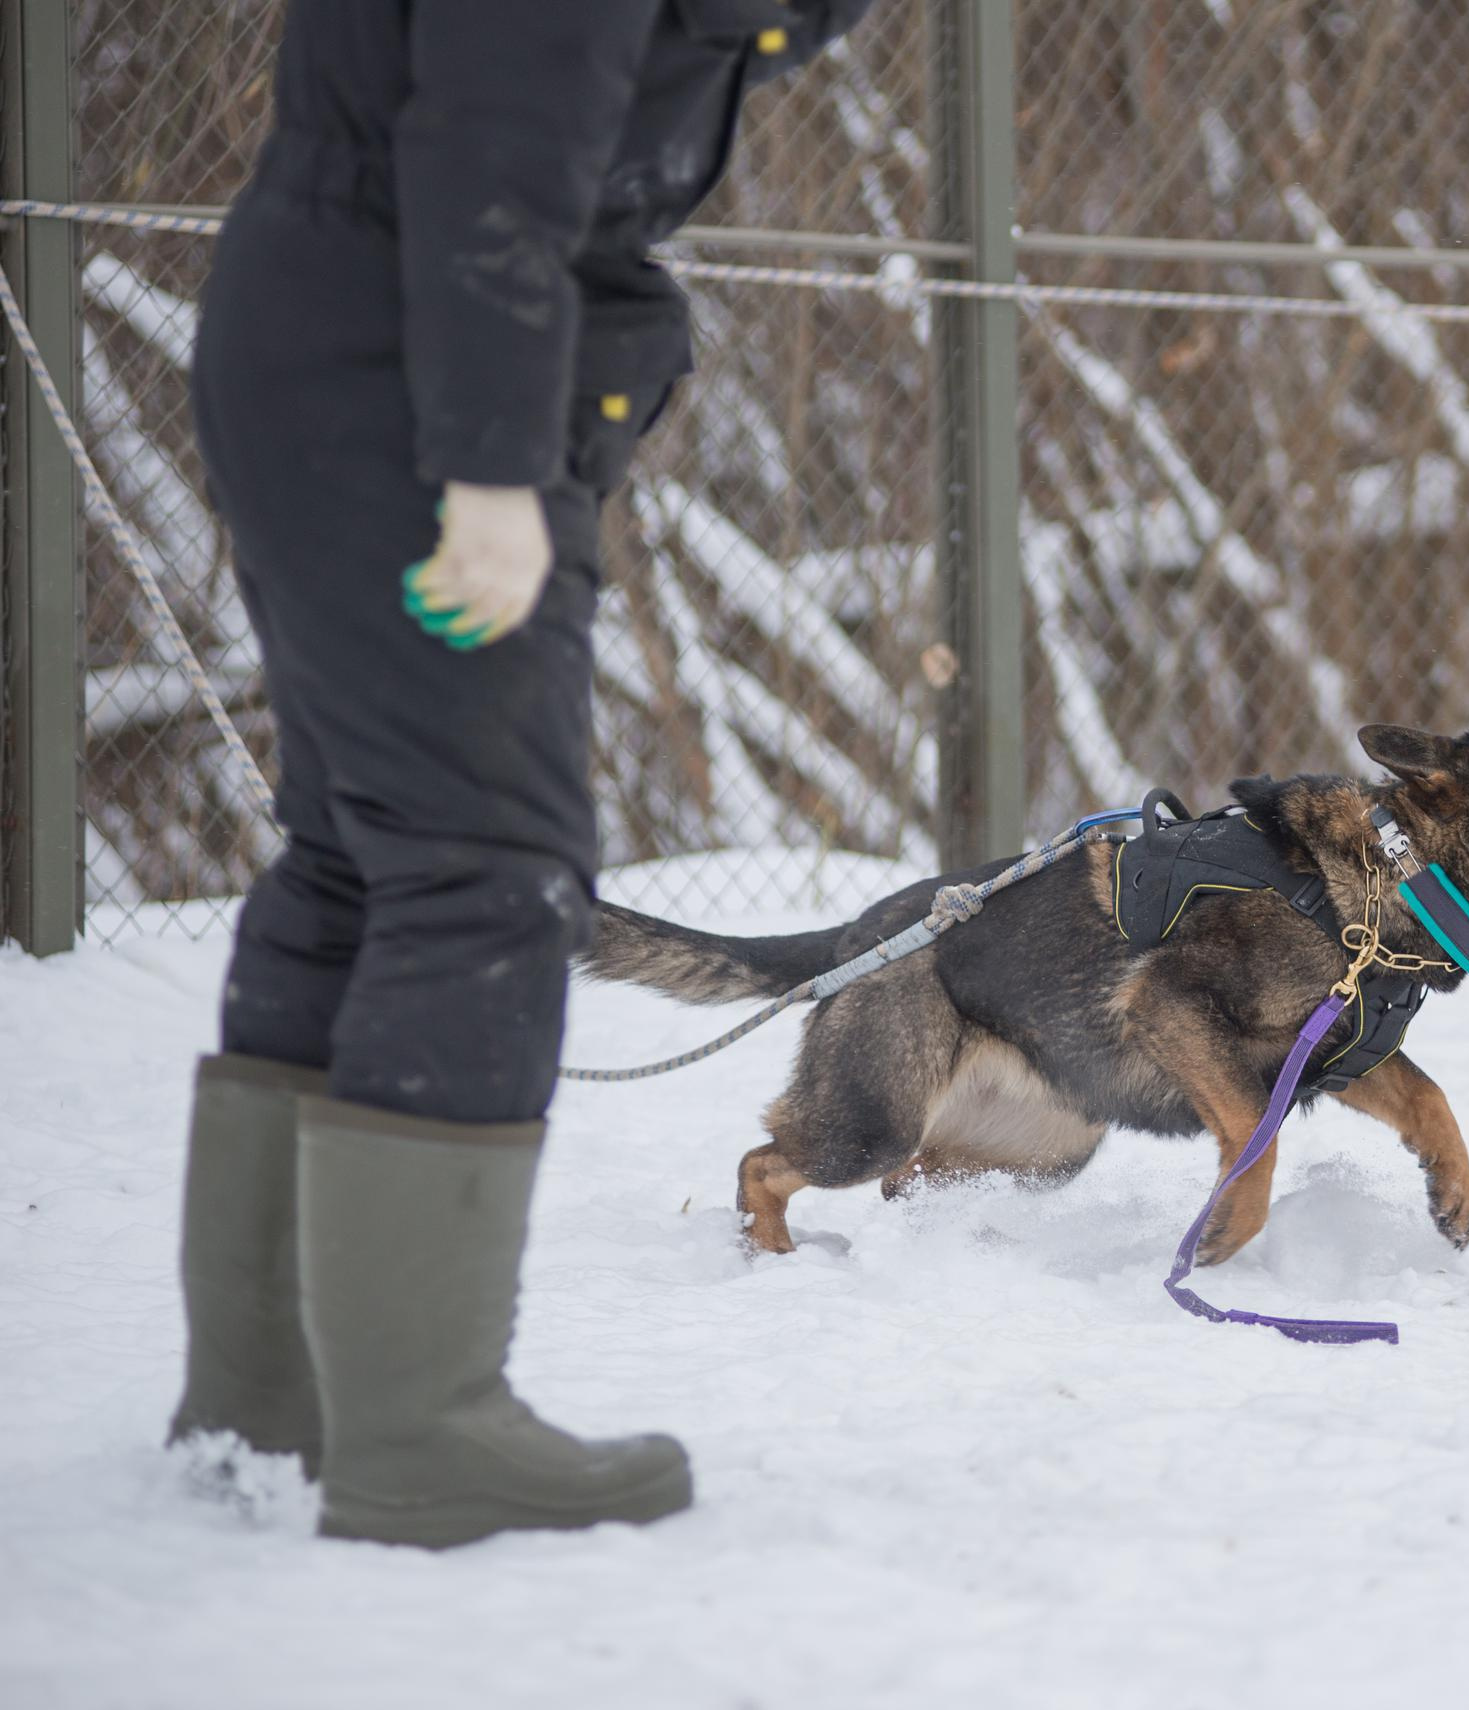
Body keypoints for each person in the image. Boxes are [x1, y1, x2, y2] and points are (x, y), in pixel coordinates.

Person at [173, 0, 878, 1549]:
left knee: (366, 851)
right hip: (406, 381)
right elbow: (496, 146)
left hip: (348, 346)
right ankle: (420, 1427)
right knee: (483, 870)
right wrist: (490, 470)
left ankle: (275, 1400)